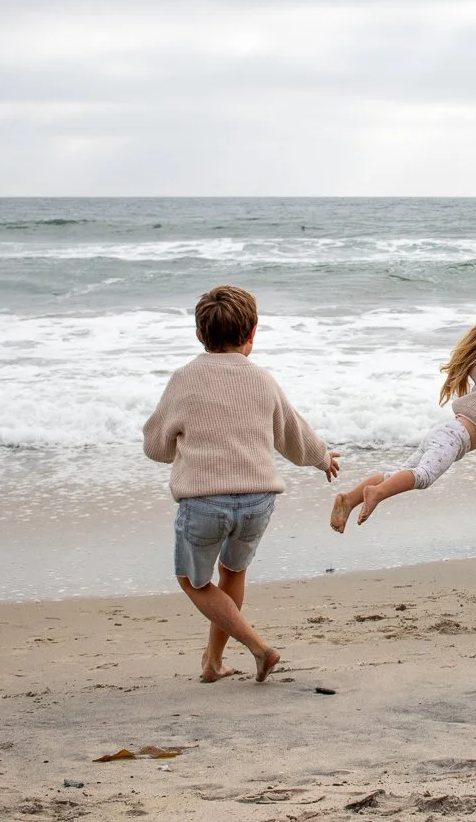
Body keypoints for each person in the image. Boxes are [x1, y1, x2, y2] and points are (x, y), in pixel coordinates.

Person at [143, 285, 340, 682]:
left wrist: (182, 447)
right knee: (232, 572)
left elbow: (156, 446)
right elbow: (291, 432)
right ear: (252, 333)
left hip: (204, 502)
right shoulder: (261, 379)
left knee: (192, 580)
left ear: (200, 335)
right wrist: (321, 458)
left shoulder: (184, 379)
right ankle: (213, 663)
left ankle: (259, 647)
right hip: (258, 500)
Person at [330, 318, 476, 532]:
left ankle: (349, 499)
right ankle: (377, 493)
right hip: (454, 437)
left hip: (447, 434)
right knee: (423, 477)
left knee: (399, 473)